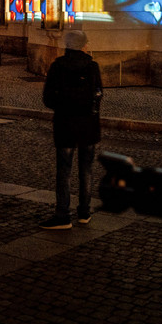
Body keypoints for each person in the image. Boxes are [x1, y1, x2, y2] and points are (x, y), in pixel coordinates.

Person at [41, 29, 104, 229]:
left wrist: (64, 105)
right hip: (88, 126)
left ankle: (63, 215)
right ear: (82, 45)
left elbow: (48, 98)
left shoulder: (57, 66)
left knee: (64, 172)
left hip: (65, 125)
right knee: (86, 170)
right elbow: (99, 94)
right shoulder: (92, 66)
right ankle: (84, 212)